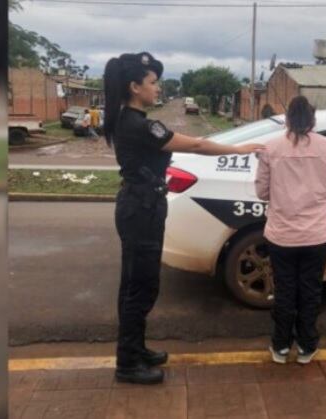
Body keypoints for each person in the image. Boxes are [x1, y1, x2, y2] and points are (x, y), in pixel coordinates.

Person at [103, 52, 264, 385]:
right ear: (135, 87)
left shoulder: (127, 119)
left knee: (134, 284)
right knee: (141, 287)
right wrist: (240, 149)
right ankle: (128, 363)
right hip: (142, 207)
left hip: (138, 204)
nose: (157, 88)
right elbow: (198, 145)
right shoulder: (141, 125)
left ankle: (135, 349)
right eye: (153, 82)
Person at [255, 95, 326, 365]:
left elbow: (261, 191)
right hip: (318, 234)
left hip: (282, 234)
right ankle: (306, 346)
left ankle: (280, 346)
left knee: (284, 290)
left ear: (287, 120)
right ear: (313, 119)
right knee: (310, 290)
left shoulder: (271, 148)